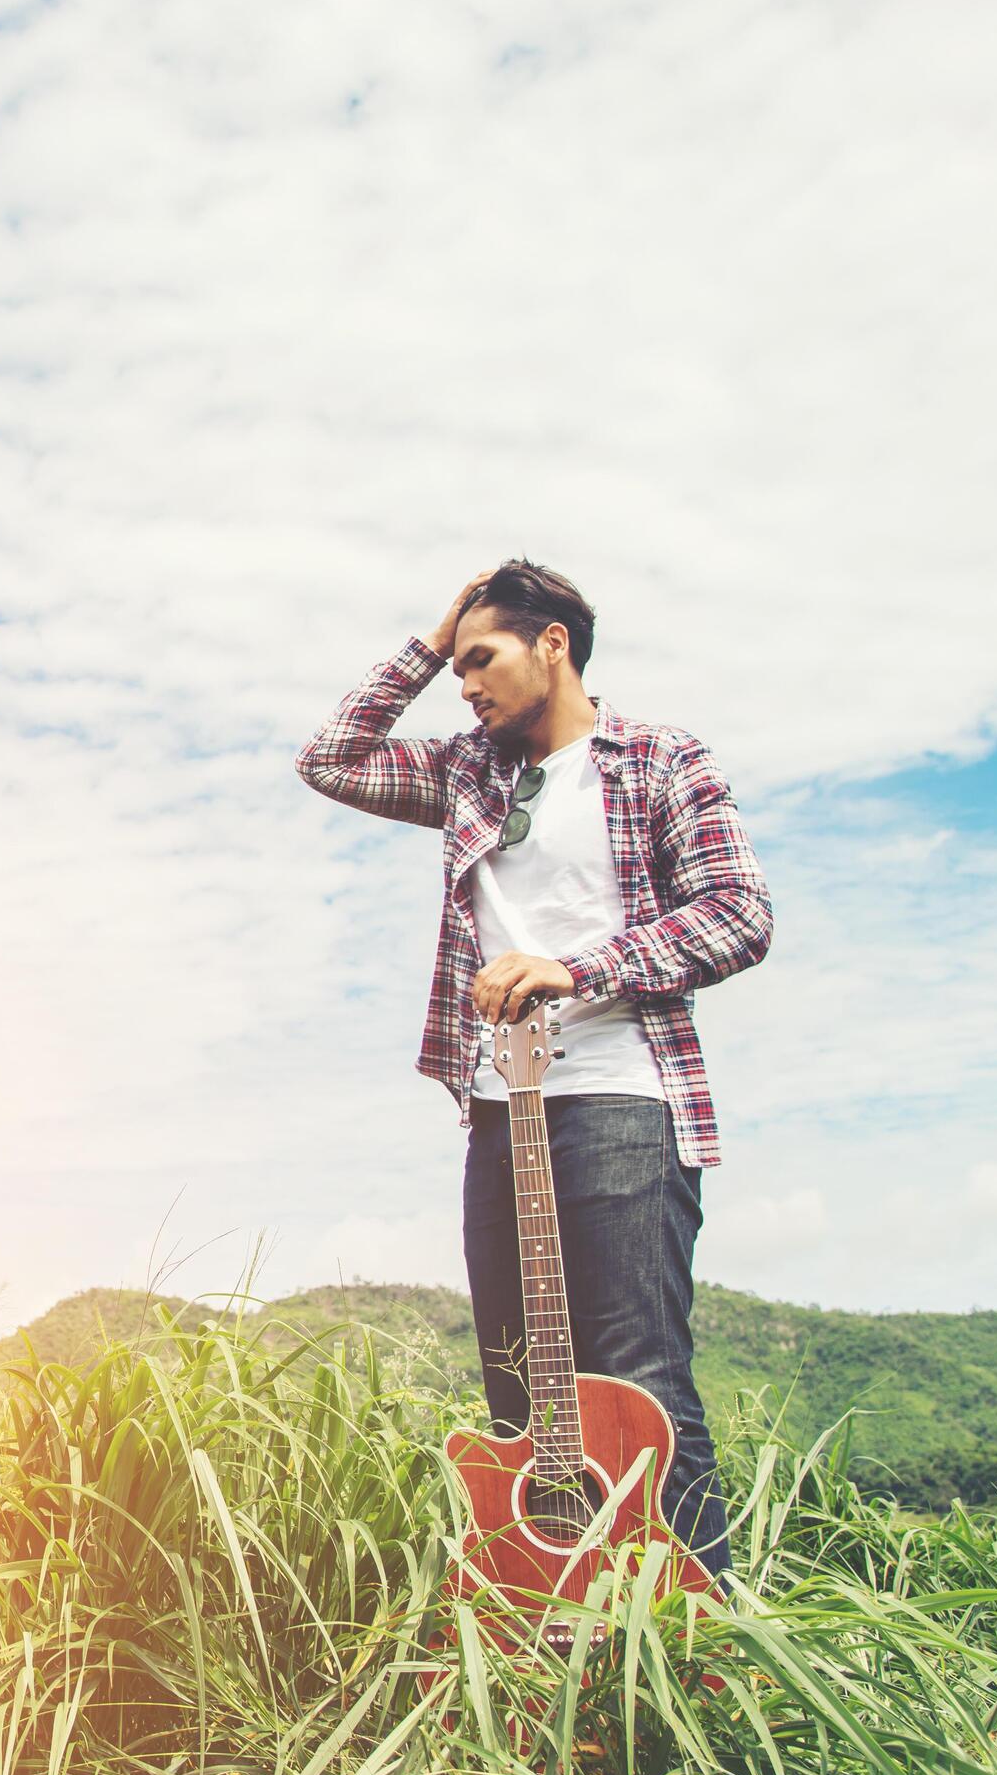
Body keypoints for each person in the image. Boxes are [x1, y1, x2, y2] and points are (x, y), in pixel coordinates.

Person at [293, 559, 773, 1576]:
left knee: (635, 1382)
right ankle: (555, 1645)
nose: (464, 685)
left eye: (482, 659)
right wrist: (430, 642)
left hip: (622, 1096)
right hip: (499, 1102)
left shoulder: (657, 759)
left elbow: (738, 915)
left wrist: (575, 968)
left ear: (552, 643)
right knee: (519, 1397)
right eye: (455, 666)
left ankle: (698, 1647)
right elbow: (331, 759)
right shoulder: (472, 772)